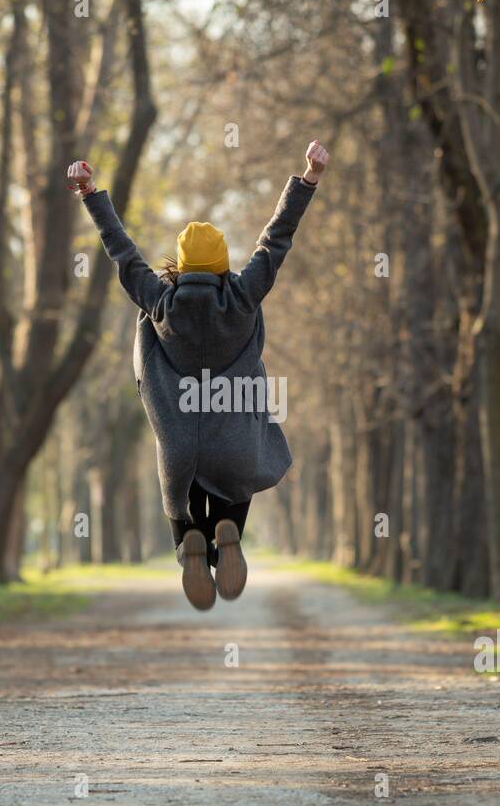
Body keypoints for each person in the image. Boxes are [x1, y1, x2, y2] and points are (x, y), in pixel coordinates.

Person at [67, 140, 329, 609]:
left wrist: (90, 194)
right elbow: (276, 240)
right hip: (233, 443)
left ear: (182, 265)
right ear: (223, 264)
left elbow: (121, 253)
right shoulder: (244, 296)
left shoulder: (160, 301)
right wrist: (306, 179)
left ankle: (189, 541)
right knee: (234, 487)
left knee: (181, 501)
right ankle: (228, 530)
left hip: (179, 442)